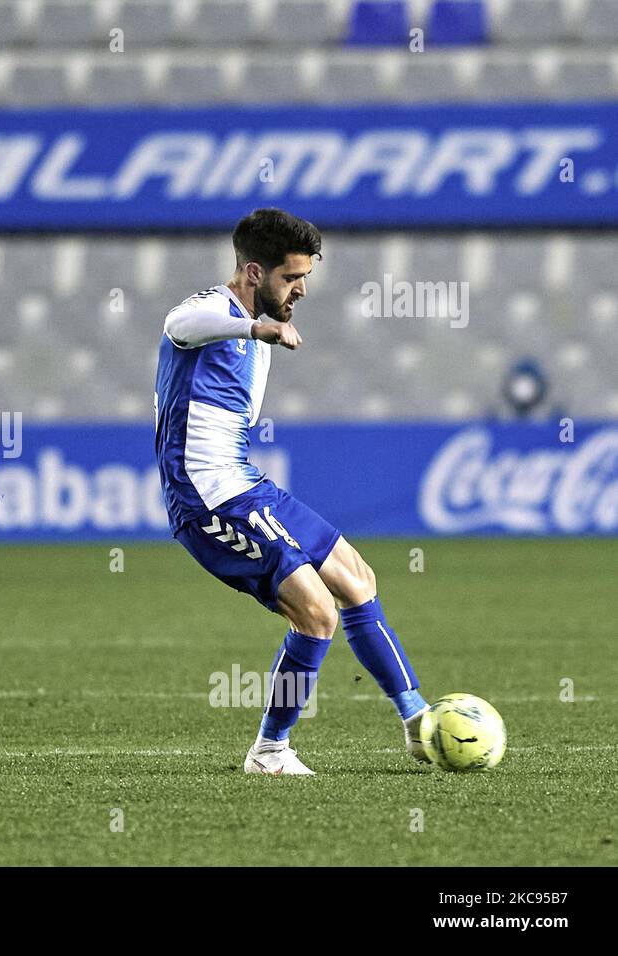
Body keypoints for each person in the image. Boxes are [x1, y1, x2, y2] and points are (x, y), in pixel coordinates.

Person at [154, 207, 429, 775]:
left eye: (305, 276)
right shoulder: (215, 311)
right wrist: (257, 327)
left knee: (357, 578)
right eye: (291, 277)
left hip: (247, 483)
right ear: (254, 272)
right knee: (316, 612)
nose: (301, 289)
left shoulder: (257, 321)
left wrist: (262, 327)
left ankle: (417, 721)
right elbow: (178, 325)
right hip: (207, 499)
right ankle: (271, 751)